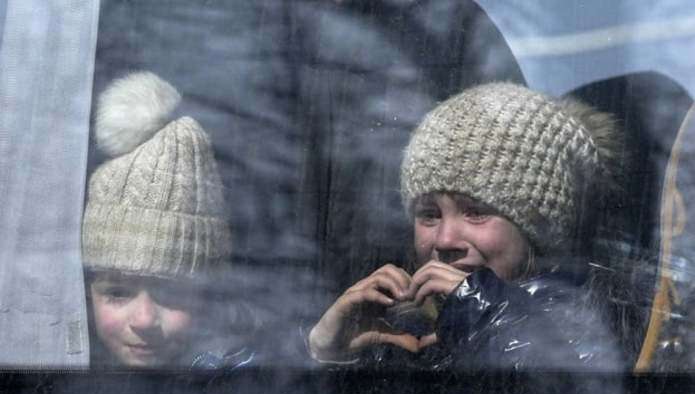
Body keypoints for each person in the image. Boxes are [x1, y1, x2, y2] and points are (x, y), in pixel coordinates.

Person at [308, 82, 640, 370]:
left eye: (476, 212)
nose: (444, 240)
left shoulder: (611, 329)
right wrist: (326, 353)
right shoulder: (403, 333)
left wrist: (483, 312)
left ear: (544, 227)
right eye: (429, 215)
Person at [83, 71, 255, 369]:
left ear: (207, 296)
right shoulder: (50, 376)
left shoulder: (245, 376)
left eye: (172, 292)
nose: (144, 320)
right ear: (87, 295)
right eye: (117, 292)